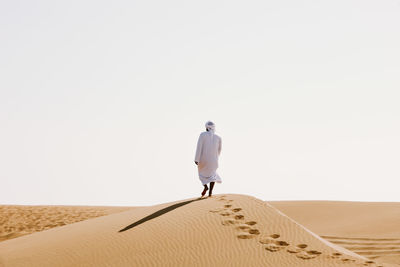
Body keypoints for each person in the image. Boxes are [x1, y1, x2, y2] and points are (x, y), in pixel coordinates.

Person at [194, 121, 222, 197]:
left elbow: (199, 147)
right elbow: (219, 150)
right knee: (213, 175)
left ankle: (205, 187)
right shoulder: (218, 137)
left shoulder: (202, 135)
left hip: (203, 159)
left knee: (202, 175)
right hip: (214, 160)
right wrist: (215, 158)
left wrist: (196, 159)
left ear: (206, 127)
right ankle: (210, 192)